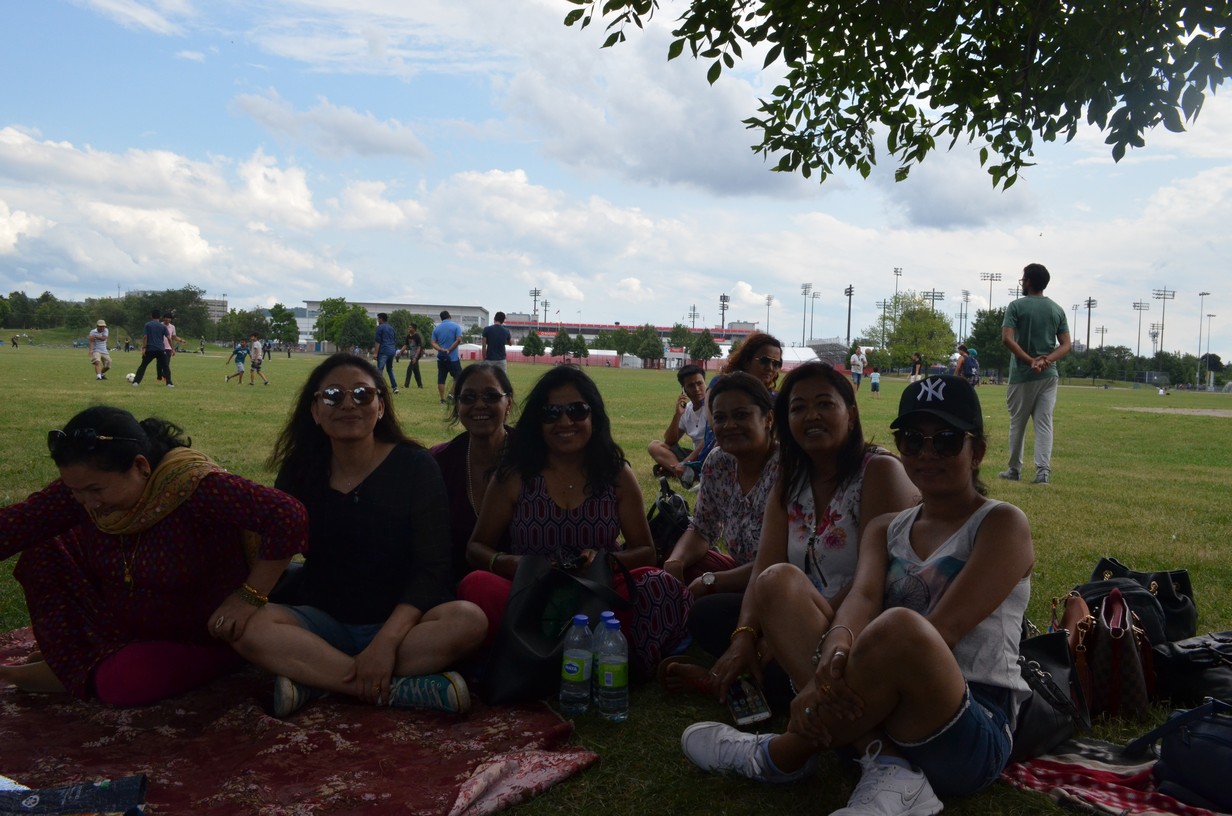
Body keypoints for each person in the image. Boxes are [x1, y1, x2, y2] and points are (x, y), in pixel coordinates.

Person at [680, 375, 1033, 816]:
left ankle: (779, 755)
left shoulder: (1000, 524)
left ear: (975, 451)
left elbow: (944, 630)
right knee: (776, 581)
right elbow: (861, 600)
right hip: (878, 710)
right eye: (912, 441)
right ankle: (888, 765)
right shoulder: (886, 528)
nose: (926, 454)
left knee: (902, 626)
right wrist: (830, 662)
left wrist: (823, 688)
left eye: (945, 441)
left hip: (965, 722)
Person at [232, 353, 487, 718]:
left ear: (380, 406)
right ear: (316, 410)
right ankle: (384, 686)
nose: (348, 404)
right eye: (333, 395)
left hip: (404, 624)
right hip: (323, 620)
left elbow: (433, 567)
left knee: (468, 620)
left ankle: (317, 678)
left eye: (362, 395)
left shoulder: (415, 466)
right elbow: (277, 545)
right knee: (248, 626)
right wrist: (246, 598)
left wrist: (387, 641)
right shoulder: (301, 470)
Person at [0, 406, 307, 705]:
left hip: (204, 635)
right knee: (44, 547)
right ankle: (82, 662)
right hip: (121, 626)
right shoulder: (84, 492)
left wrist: (249, 596)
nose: (87, 503)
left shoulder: (192, 486)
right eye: (74, 491)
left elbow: (287, 514)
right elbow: (18, 524)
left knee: (123, 681)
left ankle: (72, 669)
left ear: (140, 466)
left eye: (95, 490)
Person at [674, 362, 917, 708]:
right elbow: (765, 566)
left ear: (850, 414)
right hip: (791, 605)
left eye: (824, 404)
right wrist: (745, 635)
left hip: (859, 620)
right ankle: (747, 672)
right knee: (708, 615)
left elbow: (874, 584)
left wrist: (785, 634)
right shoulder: (791, 477)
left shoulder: (878, 471)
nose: (811, 416)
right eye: (799, 408)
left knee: (780, 666)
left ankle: (730, 681)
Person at [460, 366, 691, 676]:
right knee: (476, 585)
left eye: (577, 410)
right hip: (530, 596)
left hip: (598, 594)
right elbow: (476, 548)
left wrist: (603, 561)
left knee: (658, 584)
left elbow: (646, 552)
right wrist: (514, 564)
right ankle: (580, 656)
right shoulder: (514, 475)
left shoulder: (615, 474)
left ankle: (565, 656)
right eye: (551, 413)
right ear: (537, 421)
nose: (565, 422)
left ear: (594, 416)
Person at [662, 372, 778, 596]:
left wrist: (712, 581)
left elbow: (783, 560)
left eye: (741, 415)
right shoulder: (719, 462)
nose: (729, 425)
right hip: (740, 572)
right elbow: (702, 529)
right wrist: (674, 563)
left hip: (779, 586)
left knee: (706, 609)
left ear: (768, 419)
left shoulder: (786, 470)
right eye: (720, 418)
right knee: (668, 572)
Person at [431, 363, 515, 584]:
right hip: (451, 589)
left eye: (491, 396)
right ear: (457, 405)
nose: (479, 405)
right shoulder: (438, 463)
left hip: (524, 587)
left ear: (508, 402)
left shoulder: (533, 458)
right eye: (468, 398)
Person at [1000, 262, 1072, 484]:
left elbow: (1007, 339)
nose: (1022, 282)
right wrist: (1046, 360)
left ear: (1029, 282)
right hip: (1049, 376)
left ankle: (1014, 470)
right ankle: (1043, 472)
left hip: (1022, 375)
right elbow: (1066, 344)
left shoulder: (1015, 306)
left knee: (1018, 423)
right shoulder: (1056, 309)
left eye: (1023, 279)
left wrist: (1031, 361)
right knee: (1044, 423)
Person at [647, 364, 709, 484]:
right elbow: (669, 441)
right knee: (654, 446)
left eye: (699, 383)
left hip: (710, 453)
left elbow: (709, 440)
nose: (697, 389)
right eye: (691, 385)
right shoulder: (687, 409)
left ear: (705, 383)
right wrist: (678, 415)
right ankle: (685, 473)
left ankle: (678, 470)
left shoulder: (712, 406)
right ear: (684, 389)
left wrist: (686, 461)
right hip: (695, 457)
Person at [432, 310, 464, 404]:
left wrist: (441, 349)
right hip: (453, 358)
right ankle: (451, 394)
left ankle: (442, 399)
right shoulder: (456, 326)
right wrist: (449, 349)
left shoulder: (436, 329)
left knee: (441, 379)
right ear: (449, 316)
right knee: (459, 377)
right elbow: (458, 340)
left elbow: (433, 342)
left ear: (441, 318)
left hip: (441, 358)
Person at [132, 309, 170, 387]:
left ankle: (136, 382)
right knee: (165, 367)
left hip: (150, 349)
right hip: (160, 349)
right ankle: (169, 383)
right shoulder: (163, 326)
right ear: (160, 317)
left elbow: (145, 337)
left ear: (151, 316)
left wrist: (144, 347)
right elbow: (169, 338)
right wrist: (172, 348)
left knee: (143, 366)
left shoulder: (148, 325)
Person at [372, 313, 399, 395]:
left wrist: (375, 353)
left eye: (378, 318)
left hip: (384, 350)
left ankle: (379, 388)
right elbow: (394, 339)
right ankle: (395, 387)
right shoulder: (391, 328)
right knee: (390, 369)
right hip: (392, 351)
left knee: (380, 369)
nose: (377, 320)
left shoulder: (379, 328)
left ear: (381, 319)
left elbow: (378, 341)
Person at [402, 322, 425, 389]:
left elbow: (419, 347)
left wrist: (415, 357)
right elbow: (406, 345)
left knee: (409, 369)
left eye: (410, 327)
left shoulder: (417, 336)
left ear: (414, 329)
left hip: (417, 354)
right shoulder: (408, 336)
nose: (409, 328)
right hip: (412, 354)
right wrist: (400, 352)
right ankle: (420, 385)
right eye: (409, 327)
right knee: (416, 370)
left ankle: (406, 385)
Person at [158, 312, 177, 386]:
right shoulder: (159, 325)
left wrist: (173, 348)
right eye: (166, 318)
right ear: (164, 318)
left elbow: (173, 337)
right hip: (160, 347)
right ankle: (163, 375)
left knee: (166, 364)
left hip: (168, 348)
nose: (168, 320)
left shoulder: (172, 327)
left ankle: (167, 379)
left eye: (169, 318)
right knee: (159, 364)